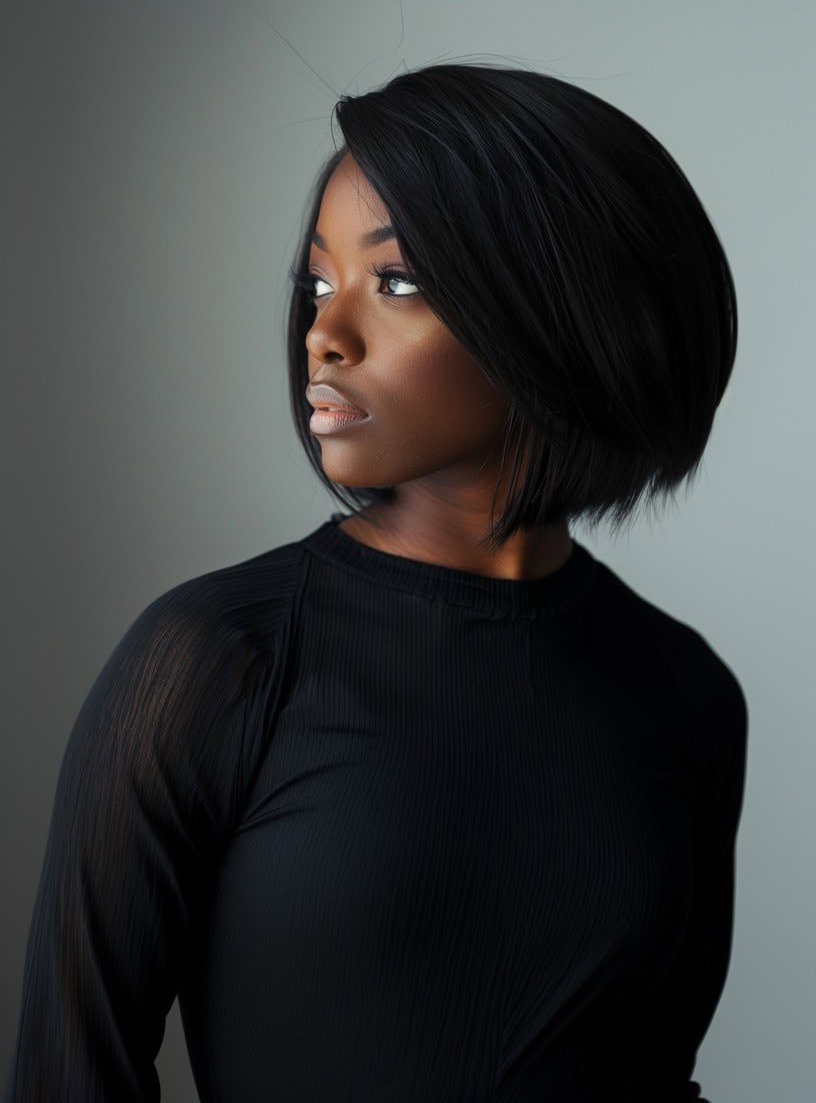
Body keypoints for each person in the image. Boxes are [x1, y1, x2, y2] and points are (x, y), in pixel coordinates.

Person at [4, 63, 748, 1101]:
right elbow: (68, 1076)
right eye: (318, 282)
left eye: (394, 281)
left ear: (561, 310)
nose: (324, 332)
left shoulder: (685, 691)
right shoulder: (214, 661)